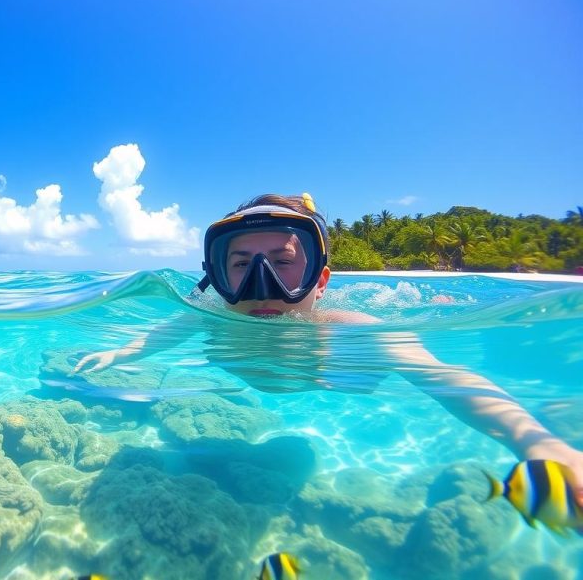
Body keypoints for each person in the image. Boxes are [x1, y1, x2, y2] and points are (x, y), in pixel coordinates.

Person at [73, 193, 583, 508]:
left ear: (321, 278)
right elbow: (157, 334)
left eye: (281, 261)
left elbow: (442, 375)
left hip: (330, 374)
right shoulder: (212, 314)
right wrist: (121, 353)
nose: (261, 284)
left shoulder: (355, 329)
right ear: (218, 279)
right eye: (242, 264)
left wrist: (536, 442)